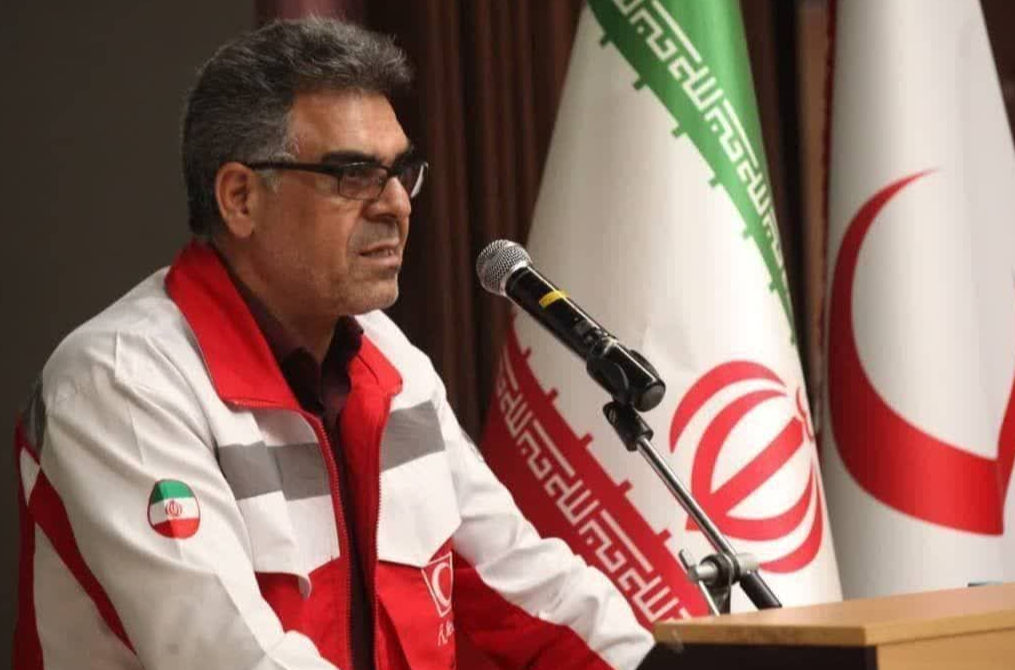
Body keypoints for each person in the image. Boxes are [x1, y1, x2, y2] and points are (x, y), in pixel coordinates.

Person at [13, 17, 681, 670]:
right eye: (353, 175)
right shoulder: (121, 381)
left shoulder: (391, 362)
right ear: (241, 198)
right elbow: (233, 655)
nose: (397, 205)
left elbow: (528, 587)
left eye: (402, 171)